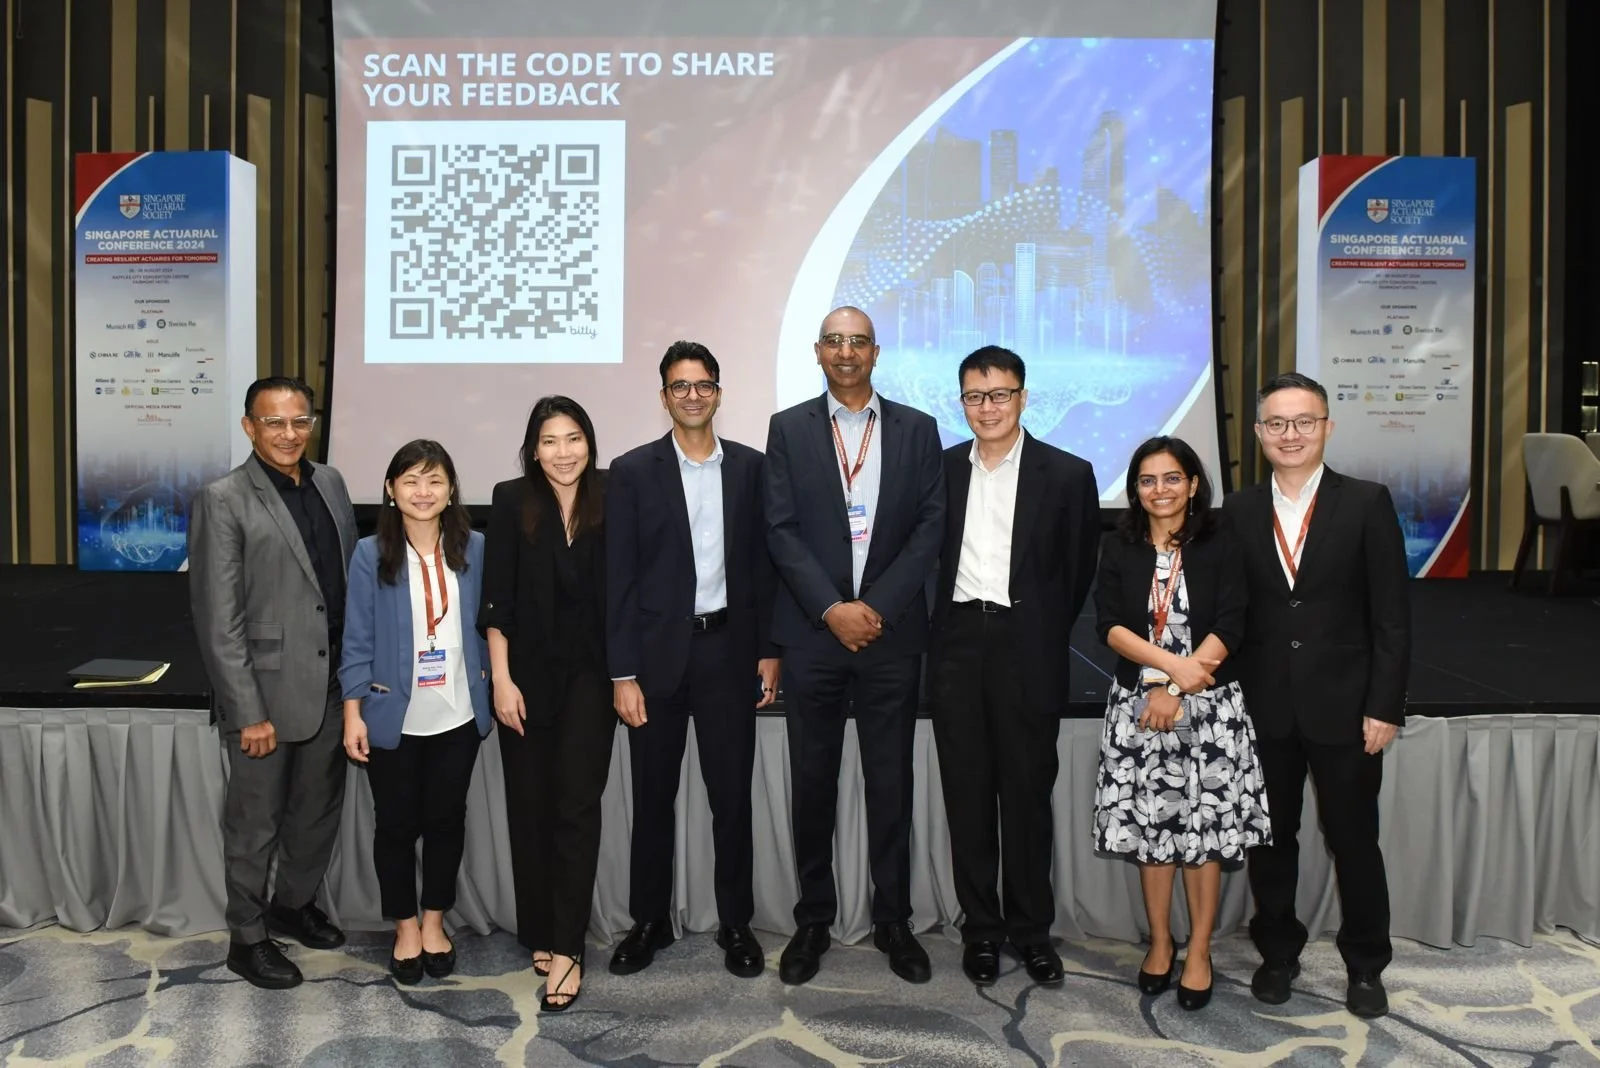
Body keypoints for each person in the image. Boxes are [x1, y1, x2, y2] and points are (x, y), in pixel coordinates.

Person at [763, 306, 946, 986]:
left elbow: (930, 528)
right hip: (814, 636)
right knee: (812, 782)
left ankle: (893, 920)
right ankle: (813, 919)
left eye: (858, 341)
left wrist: (874, 608)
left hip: (891, 636)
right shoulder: (789, 430)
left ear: (877, 351)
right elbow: (779, 529)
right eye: (835, 341)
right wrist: (833, 609)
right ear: (818, 352)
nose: (846, 352)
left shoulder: (917, 429)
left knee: (890, 781)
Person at [1222, 372, 1411, 1019]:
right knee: (1271, 841)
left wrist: (1385, 705)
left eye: (1304, 421)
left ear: (1327, 427)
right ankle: (1278, 954)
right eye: (1277, 423)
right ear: (1258, 434)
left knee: (1354, 840)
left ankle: (1365, 965)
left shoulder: (1366, 502)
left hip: (1348, 708)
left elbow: (1392, 616)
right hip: (1264, 707)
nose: (1291, 434)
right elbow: (1233, 615)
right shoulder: (1240, 512)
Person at [605, 342, 780, 979]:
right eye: (680, 386)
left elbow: (764, 569)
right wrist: (621, 673)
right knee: (652, 800)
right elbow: (618, 579)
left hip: (729, 653)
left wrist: (769, 650)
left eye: (703, 384)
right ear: (664, 397)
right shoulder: (630, 471)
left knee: (731, 799)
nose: (693, 395)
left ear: (718, 393)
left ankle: (736, 922)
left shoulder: (752, 470)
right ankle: (649, 921)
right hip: (654, 664)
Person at [925, 346, 1099, 987]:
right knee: (967, 796)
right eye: (975, 396)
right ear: (961, 402)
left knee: (1027, 797)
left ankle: (1030, 932)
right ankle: (982, 931)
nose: (987, 407)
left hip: (1030, 647)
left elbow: (1077, 569)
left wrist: (1039, 627)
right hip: (959, 645)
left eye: (999, 394)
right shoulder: (938, 470)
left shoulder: (1067, 473)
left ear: (1024, 397)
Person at [188, 376, 357, 989]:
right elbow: (218, 617)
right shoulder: (223, 498)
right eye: (274, 422)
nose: (289, 434)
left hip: (334, 684)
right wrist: (247, 711)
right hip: (263, 697)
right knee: (254, 823)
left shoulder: (332, 483)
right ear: (249, 426)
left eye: (300, 421)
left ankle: (294, 904)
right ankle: (247, 937)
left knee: (317, 813)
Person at [1092, 436, 1271, 1010]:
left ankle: (1198, 950)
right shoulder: (1119, 547)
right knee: (1153, 836)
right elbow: (1111, 626)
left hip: (1210, 711)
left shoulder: (1221, 544)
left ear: (1193, 485)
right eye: (1148, 480)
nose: (1160, 490)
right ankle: (1161, 944)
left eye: (1172, 478)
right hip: (1140, 707)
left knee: (1204, 838)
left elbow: (1232, 621)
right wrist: (1168, 675)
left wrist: (1179, 686)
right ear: (1135, 490)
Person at [339, 439, 493, 985]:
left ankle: (434, 922)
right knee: (397, 827)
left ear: (451, 489)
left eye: (434, 480)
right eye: (410, 481)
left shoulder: (475, 547)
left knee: (448, 822)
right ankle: (405, 927)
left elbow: (491, 628)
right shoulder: (368, 554)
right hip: (391, 716)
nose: (423, 492)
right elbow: (355, 638)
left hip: (456, 714)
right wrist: (352, 712)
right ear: (390, 489)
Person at [480, 396, 612, 1012]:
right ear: (534, 448)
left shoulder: (612, 495)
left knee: (576, 808)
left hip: (591, 677)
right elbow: (497, 600)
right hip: (524, 678)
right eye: (551, 441)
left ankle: (567, 947)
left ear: (590, 441)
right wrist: (501, 681)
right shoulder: (511, 500)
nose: (565, 452)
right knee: (529, 807)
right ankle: (538, 927)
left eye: (574, 438)